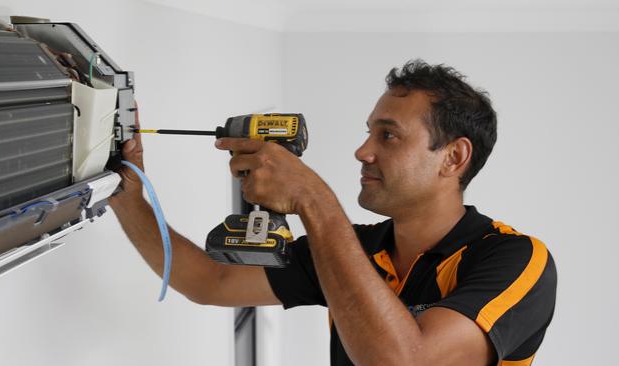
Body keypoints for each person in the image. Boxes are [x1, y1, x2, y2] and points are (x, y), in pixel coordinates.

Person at [109, 59, 557, 366]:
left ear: (454, 157)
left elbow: (403, 360)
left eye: (389, 136)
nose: (363, 152)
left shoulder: (515, 260)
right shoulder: (354, 248)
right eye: (369, 133)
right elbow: (209, 281)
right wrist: (129, 197)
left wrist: (313, 198)